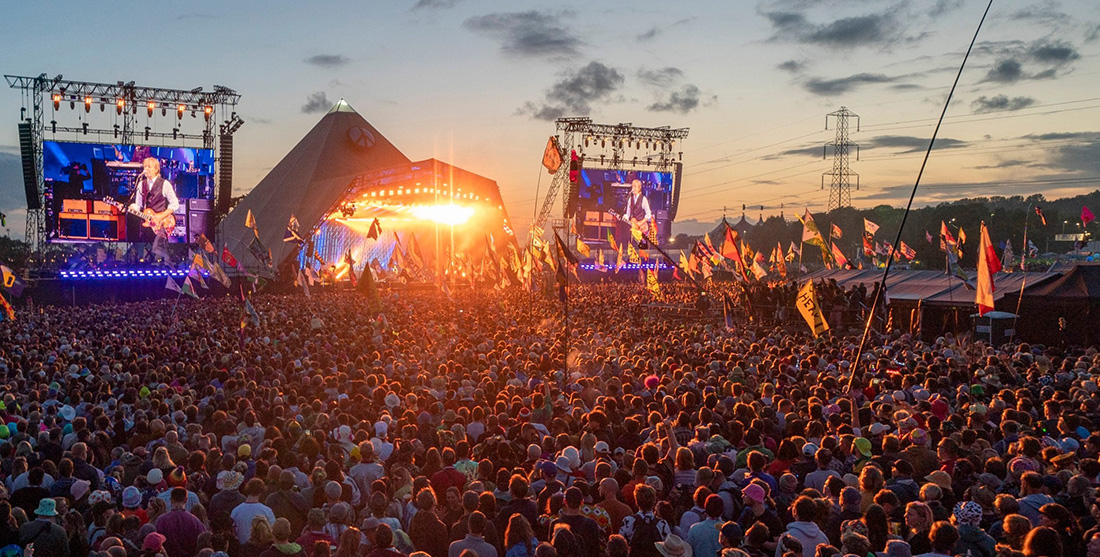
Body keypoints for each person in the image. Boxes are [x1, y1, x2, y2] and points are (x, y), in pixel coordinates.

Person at [127, 156, 179, 253]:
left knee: (158, 252)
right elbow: (139, 205)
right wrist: (133, 208)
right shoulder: (141, 184)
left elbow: (175, 204)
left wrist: (160, 217)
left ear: (156, 169)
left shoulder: (165, 184)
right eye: (145, 167)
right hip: (146, 225)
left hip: (161, 225)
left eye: (149, 167)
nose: (146, 169)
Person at [154, 487, 207, 557]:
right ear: (186, 500)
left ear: (171, 500)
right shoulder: (195, 521)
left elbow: (156, 541)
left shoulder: (161, 520)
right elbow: (204, 539)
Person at [230, 478, 276, 545]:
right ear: (261, 492)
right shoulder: (266, 511)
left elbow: (233, 532)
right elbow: (273, 530)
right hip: (261, 549)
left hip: (241, 549)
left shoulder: (236, 511)